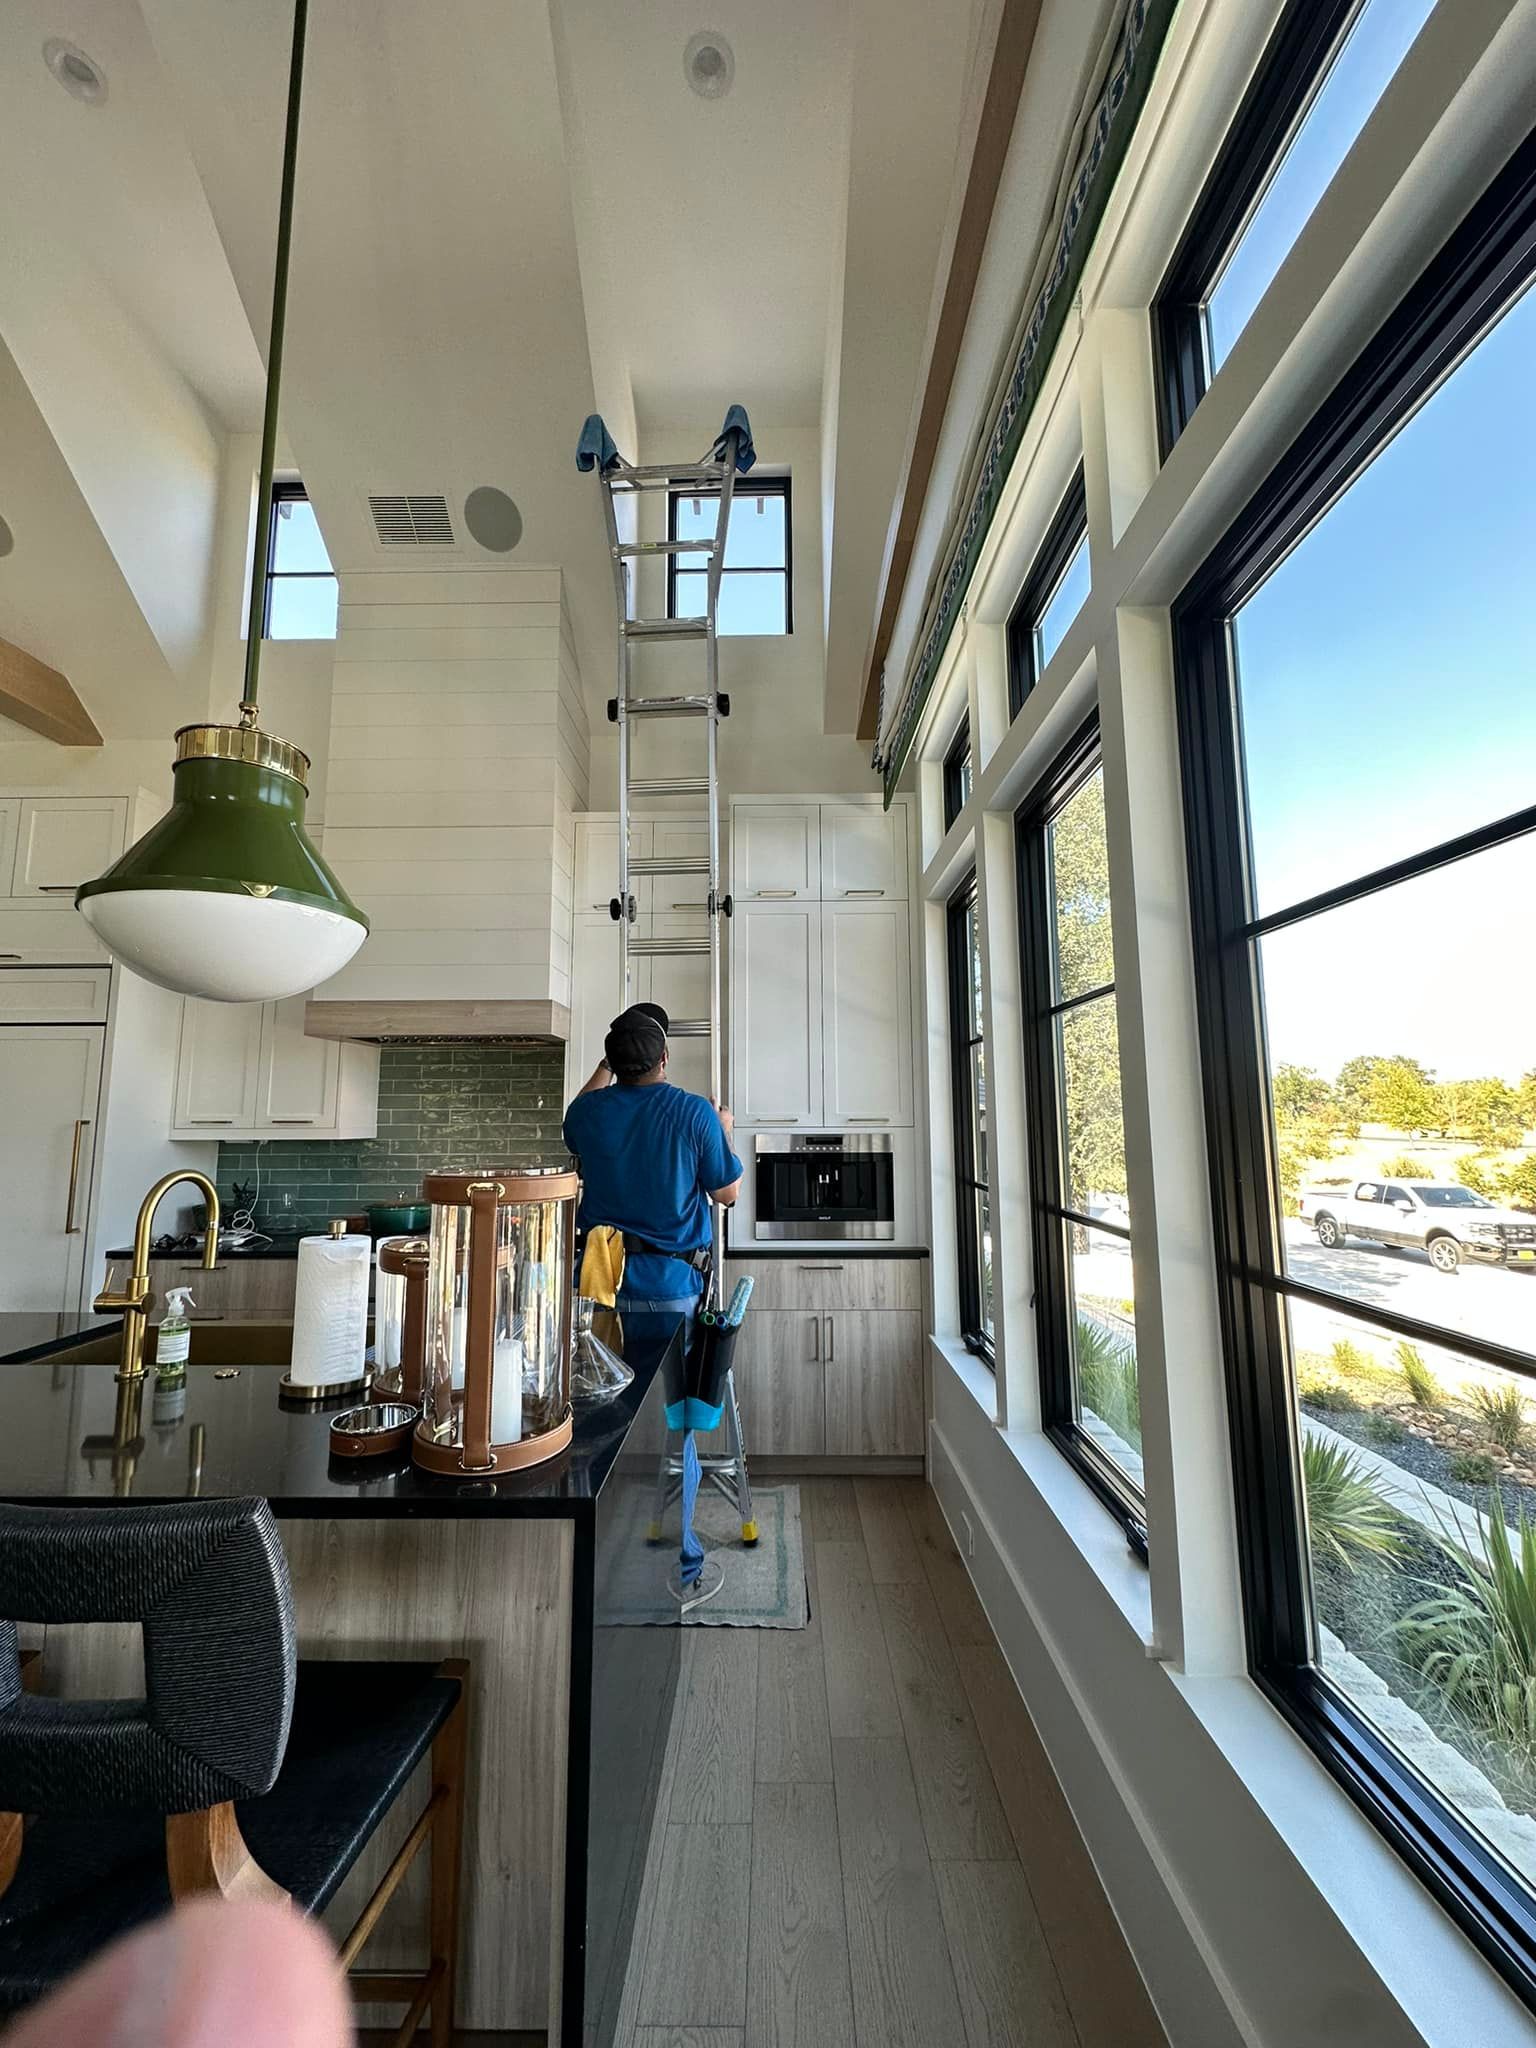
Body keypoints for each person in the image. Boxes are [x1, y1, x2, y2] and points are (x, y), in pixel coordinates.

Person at [563, 1001, 742, 1317]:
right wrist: (723, 1129)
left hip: (599, 1288)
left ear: (611, 1063)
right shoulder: (695, 1113)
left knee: (602, 1369)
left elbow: (576, 1114)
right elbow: (727, 1194)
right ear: (664, 1058)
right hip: (670, 1289)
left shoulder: (587, 1113)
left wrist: (612, 1061)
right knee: (670, 1370)